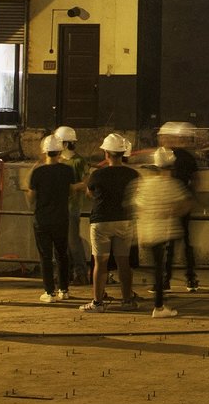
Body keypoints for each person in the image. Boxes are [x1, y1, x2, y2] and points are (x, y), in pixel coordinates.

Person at [81, 133, 139, 311]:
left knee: (100, 263)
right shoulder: (132, 174)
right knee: (124, 262)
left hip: (101, 221)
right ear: (123, 153)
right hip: (124, 221)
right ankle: (127, 300)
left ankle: (97, 302)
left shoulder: (98, 174)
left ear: (106, 153)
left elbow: (89, 193)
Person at [135, 148, 187, 318]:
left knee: (156, 268)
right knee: (160, 269)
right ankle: (158, 307)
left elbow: (138, 207)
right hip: (163, 232)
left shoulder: (145, 183)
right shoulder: (171, 184)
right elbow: (184, 205)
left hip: (148, 231)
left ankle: (159, 303)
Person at [27, 135, 75, 303]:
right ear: (60, 151)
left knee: (45, 256)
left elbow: (31, 198)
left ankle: (49, 291)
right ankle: (64, 289)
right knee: (62, 254)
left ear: (44, 151)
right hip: (62, 218)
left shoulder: (38, 172)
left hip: (42, 219)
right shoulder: (67, 170)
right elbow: (70, 191)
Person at [156, 121, 200, 293]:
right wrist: (192, 198)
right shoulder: (187, 157)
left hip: (170, 205)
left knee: (169, 244)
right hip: (184, 205)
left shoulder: (163, 157)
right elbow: (197, 180)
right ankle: (190, 278)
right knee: (186, 243)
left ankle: (166, 280)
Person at [55, 125, 90, 284]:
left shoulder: (78, 161)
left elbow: (86, 182)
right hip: (59, 207)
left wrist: (69, 188)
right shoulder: (58, 161)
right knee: (62, 242)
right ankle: (66, 273)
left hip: (71, 207)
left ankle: (80, 272)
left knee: (72, 241)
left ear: (65, 144)